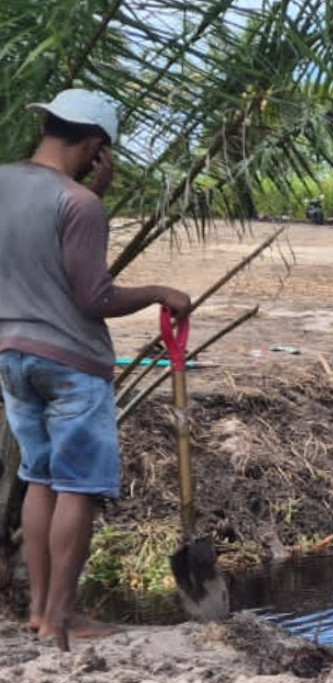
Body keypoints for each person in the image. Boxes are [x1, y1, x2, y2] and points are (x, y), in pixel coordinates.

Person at [0, 89, 192, 646]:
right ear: (94, 146)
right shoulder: (79, 204)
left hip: (11, 354)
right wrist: (160, 292)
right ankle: (64, 618)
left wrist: (93, 195)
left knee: (38, 478)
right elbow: (95, 297)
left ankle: (39, 612)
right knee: (77, 487)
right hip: (70, 363)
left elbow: (39, 245)